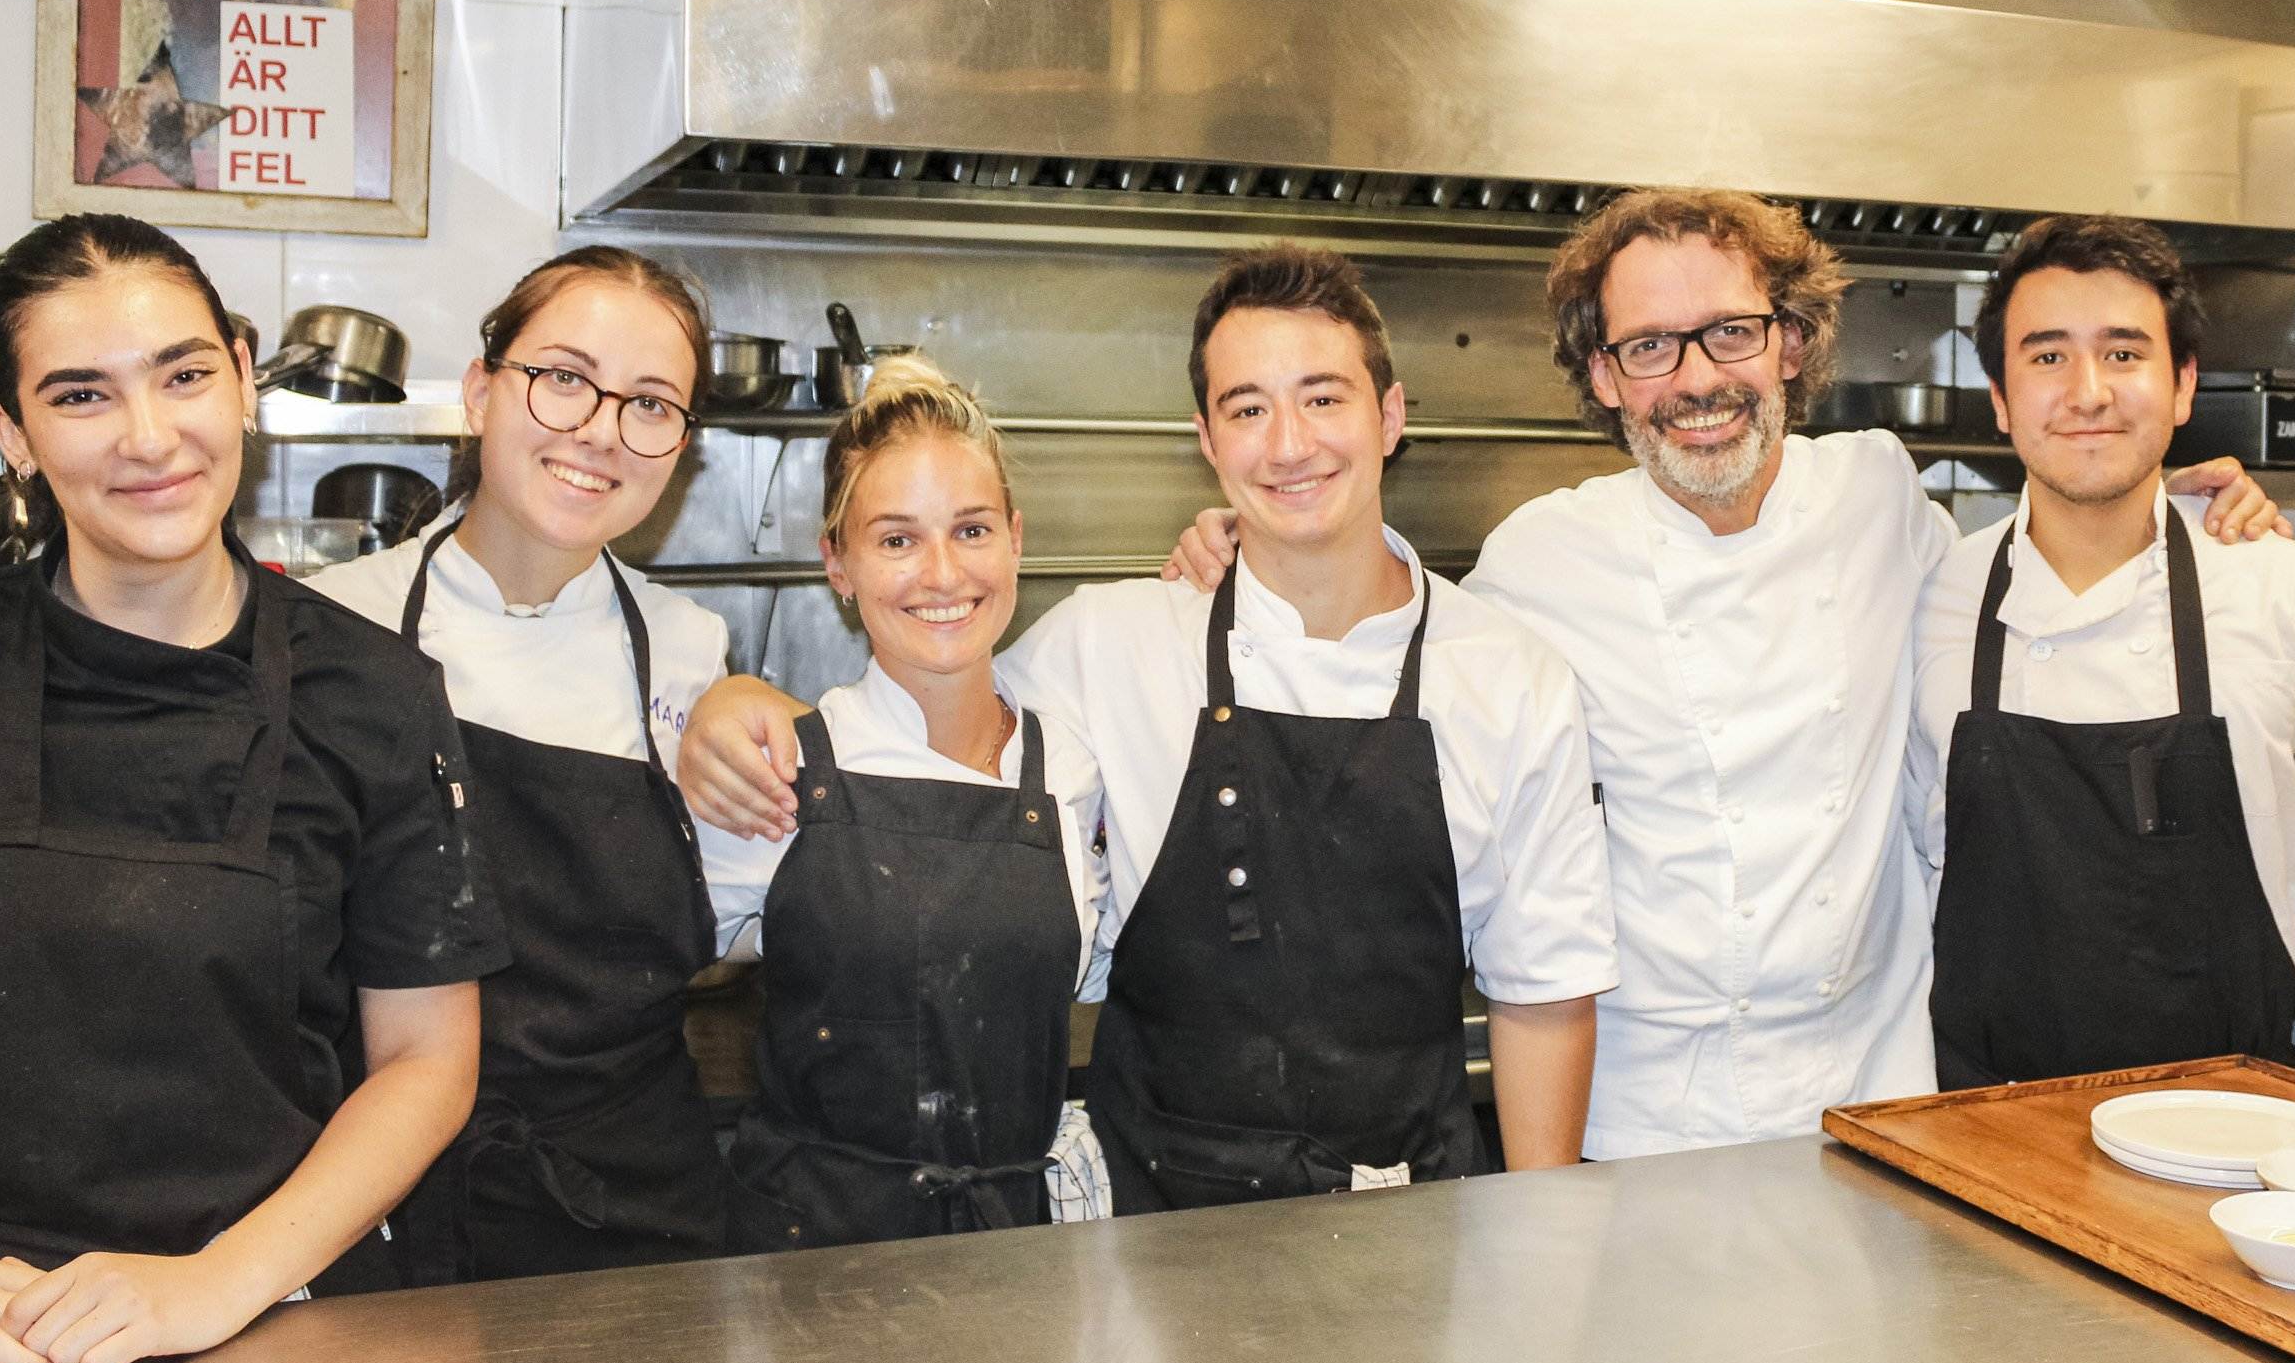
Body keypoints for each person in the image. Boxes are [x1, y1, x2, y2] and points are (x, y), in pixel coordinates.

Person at [1163, 189, 2284, 1159]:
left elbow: (2038, 574)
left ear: (1794, 342)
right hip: (1642, 1119)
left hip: (1881, 1100)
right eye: (1649, 346)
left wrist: (2158, 495)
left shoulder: (1882, 495)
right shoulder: (1538, 560)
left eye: (1732, 333)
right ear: (1604, 377)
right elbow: (1372, 652)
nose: (1696, 379)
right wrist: (1252, 546)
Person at [679, 244, 1619, 1209]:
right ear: (1208, 442)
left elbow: (1543, 992)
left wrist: (1538, 1248)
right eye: (1248, 408)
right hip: (1152, 1239)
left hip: (1406, 1216)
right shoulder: (1109, 642)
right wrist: (744, 705)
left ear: (1390, 417)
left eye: (1324, 398)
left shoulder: (1513, 680)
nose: (1289, 444)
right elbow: (922, 715)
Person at [0, 214, 497, 1363]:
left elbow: (426, 1059)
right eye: (82, 394)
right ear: (12, 434)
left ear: (244, 378)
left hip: (275, 1326)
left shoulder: (375, 693)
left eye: (186, 375)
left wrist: (212, 1282)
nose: (151, 438)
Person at [1908, 215, 2295, 1087]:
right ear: (1998, 396)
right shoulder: (1931, 596)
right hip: (1976, 1111)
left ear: (2183, 386)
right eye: (2046, 357)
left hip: (2231, 1110)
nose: (2088, 393)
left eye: (2122, 353)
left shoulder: (2291, 593)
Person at [306, 248, 730, 1280]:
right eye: (566, 376)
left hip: (638, 1212)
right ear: (481, 388)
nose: (600, 428)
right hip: (389, 1199)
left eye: (651, 402)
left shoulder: (690, 653)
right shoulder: (331, 628)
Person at [696, 355, 1113, 1246]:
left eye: (970, 530)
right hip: (814, 1265)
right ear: (836, 566)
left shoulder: (1070, 771)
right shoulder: (775, 769)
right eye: (895, 540)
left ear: (1015, 539)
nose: (941, 573)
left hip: (1015, 1256)